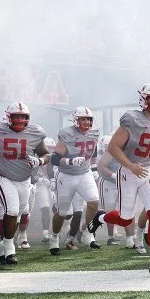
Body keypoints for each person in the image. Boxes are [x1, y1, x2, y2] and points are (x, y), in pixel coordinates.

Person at [105, 82, 150, 276]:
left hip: (148, 172)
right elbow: (113, 147)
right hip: (128, 172)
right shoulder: (132, 119)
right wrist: (131, 166)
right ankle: (100, 217)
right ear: (143, 99)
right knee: (126, 220)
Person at [0, 101, 49, 265]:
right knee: (11, 210)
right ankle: (9, 249)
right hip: (4, 177)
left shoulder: (35, 132)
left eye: (23, 117)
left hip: (24, 180)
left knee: (18, 214)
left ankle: (4, 244)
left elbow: (46, 154)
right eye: (16, 117)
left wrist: (39, 161)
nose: (20, 121)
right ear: (9, 117)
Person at [50, 106, 102, 253]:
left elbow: (94, 149)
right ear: (75, 120)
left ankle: (87, 233)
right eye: (83, 119)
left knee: (93, 201)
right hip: (66, 175)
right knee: (62, 212)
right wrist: (70, 161)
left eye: (89, 119)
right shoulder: (67, 134)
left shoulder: (94, 133)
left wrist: (94, 167)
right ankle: (54, 238)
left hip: (84, 173)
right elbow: (54, 159)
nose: (86, 122)